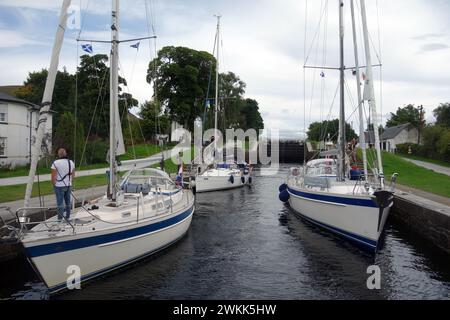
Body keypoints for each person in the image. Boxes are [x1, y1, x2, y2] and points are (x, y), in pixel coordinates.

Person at [51, 147, 75, 223]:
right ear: (66, 154)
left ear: (58, 154)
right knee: (68, 202)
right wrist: (69, 182)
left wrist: (54, 185)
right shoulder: (71, 162)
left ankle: (59, 219)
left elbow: (53, 177)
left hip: (59, 186)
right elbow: (73, 175)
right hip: (68, 185)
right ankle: (68, 217)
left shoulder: (55, 163)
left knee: (60, 203)